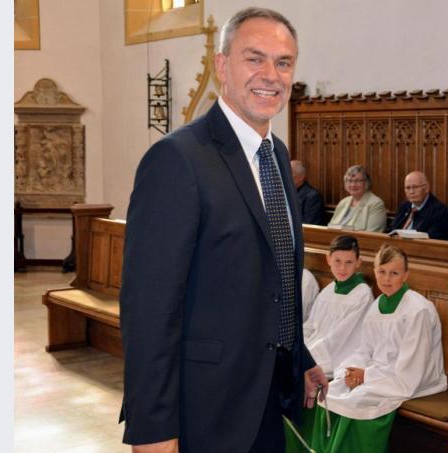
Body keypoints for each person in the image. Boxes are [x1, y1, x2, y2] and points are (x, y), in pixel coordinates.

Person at [119, 8, 327, 452]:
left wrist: (298, 356)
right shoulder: (178, 160)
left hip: (270, 399)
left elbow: (273, 280)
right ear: (222, 66)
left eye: (284, 62)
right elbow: (149, 310)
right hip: (205, 411)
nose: (271, 74)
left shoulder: (275, 155)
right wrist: (153, 430)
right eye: (255, 59)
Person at [309, 243, 447, 452]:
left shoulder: (417, 310)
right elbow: (364, 350)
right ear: (374, 271)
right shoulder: (377, 306)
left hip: (411, 378)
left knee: (357, 400)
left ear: (406, 275)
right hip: (380, 373)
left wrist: (366, 376)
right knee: (333, 389)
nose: (386, 279)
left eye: (394, 273)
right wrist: (350, 370)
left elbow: (412, 366)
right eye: (381, 272)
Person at [303, 235, 374, 376]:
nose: (342, 268)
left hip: (334, 356)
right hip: (314, 349)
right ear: (328, 259)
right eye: (337, 261)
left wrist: (307, 356)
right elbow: (310, 326)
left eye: (349, 262)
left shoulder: (362, 294)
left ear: (358, 262)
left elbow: (341, 338)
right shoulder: (328, 290)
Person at [389, 171, 448, 239]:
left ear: (426, 188)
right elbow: (391, 230)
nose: (411, 192)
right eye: (408, 188)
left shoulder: (439, 210)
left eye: (415, 187)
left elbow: (433, 238)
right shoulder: (404, 207)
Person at [328, 165, 387, 232]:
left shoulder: (376, 204)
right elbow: (331, 227)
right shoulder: (343, 202)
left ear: (366, 183)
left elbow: (372, 233)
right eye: (349, 181)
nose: (353, 185)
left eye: (357, 181)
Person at [291, 160, 325, 225]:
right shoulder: (283, 193)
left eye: (290, 174)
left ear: (301, 177)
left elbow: (309, 224)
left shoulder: (313, 197)